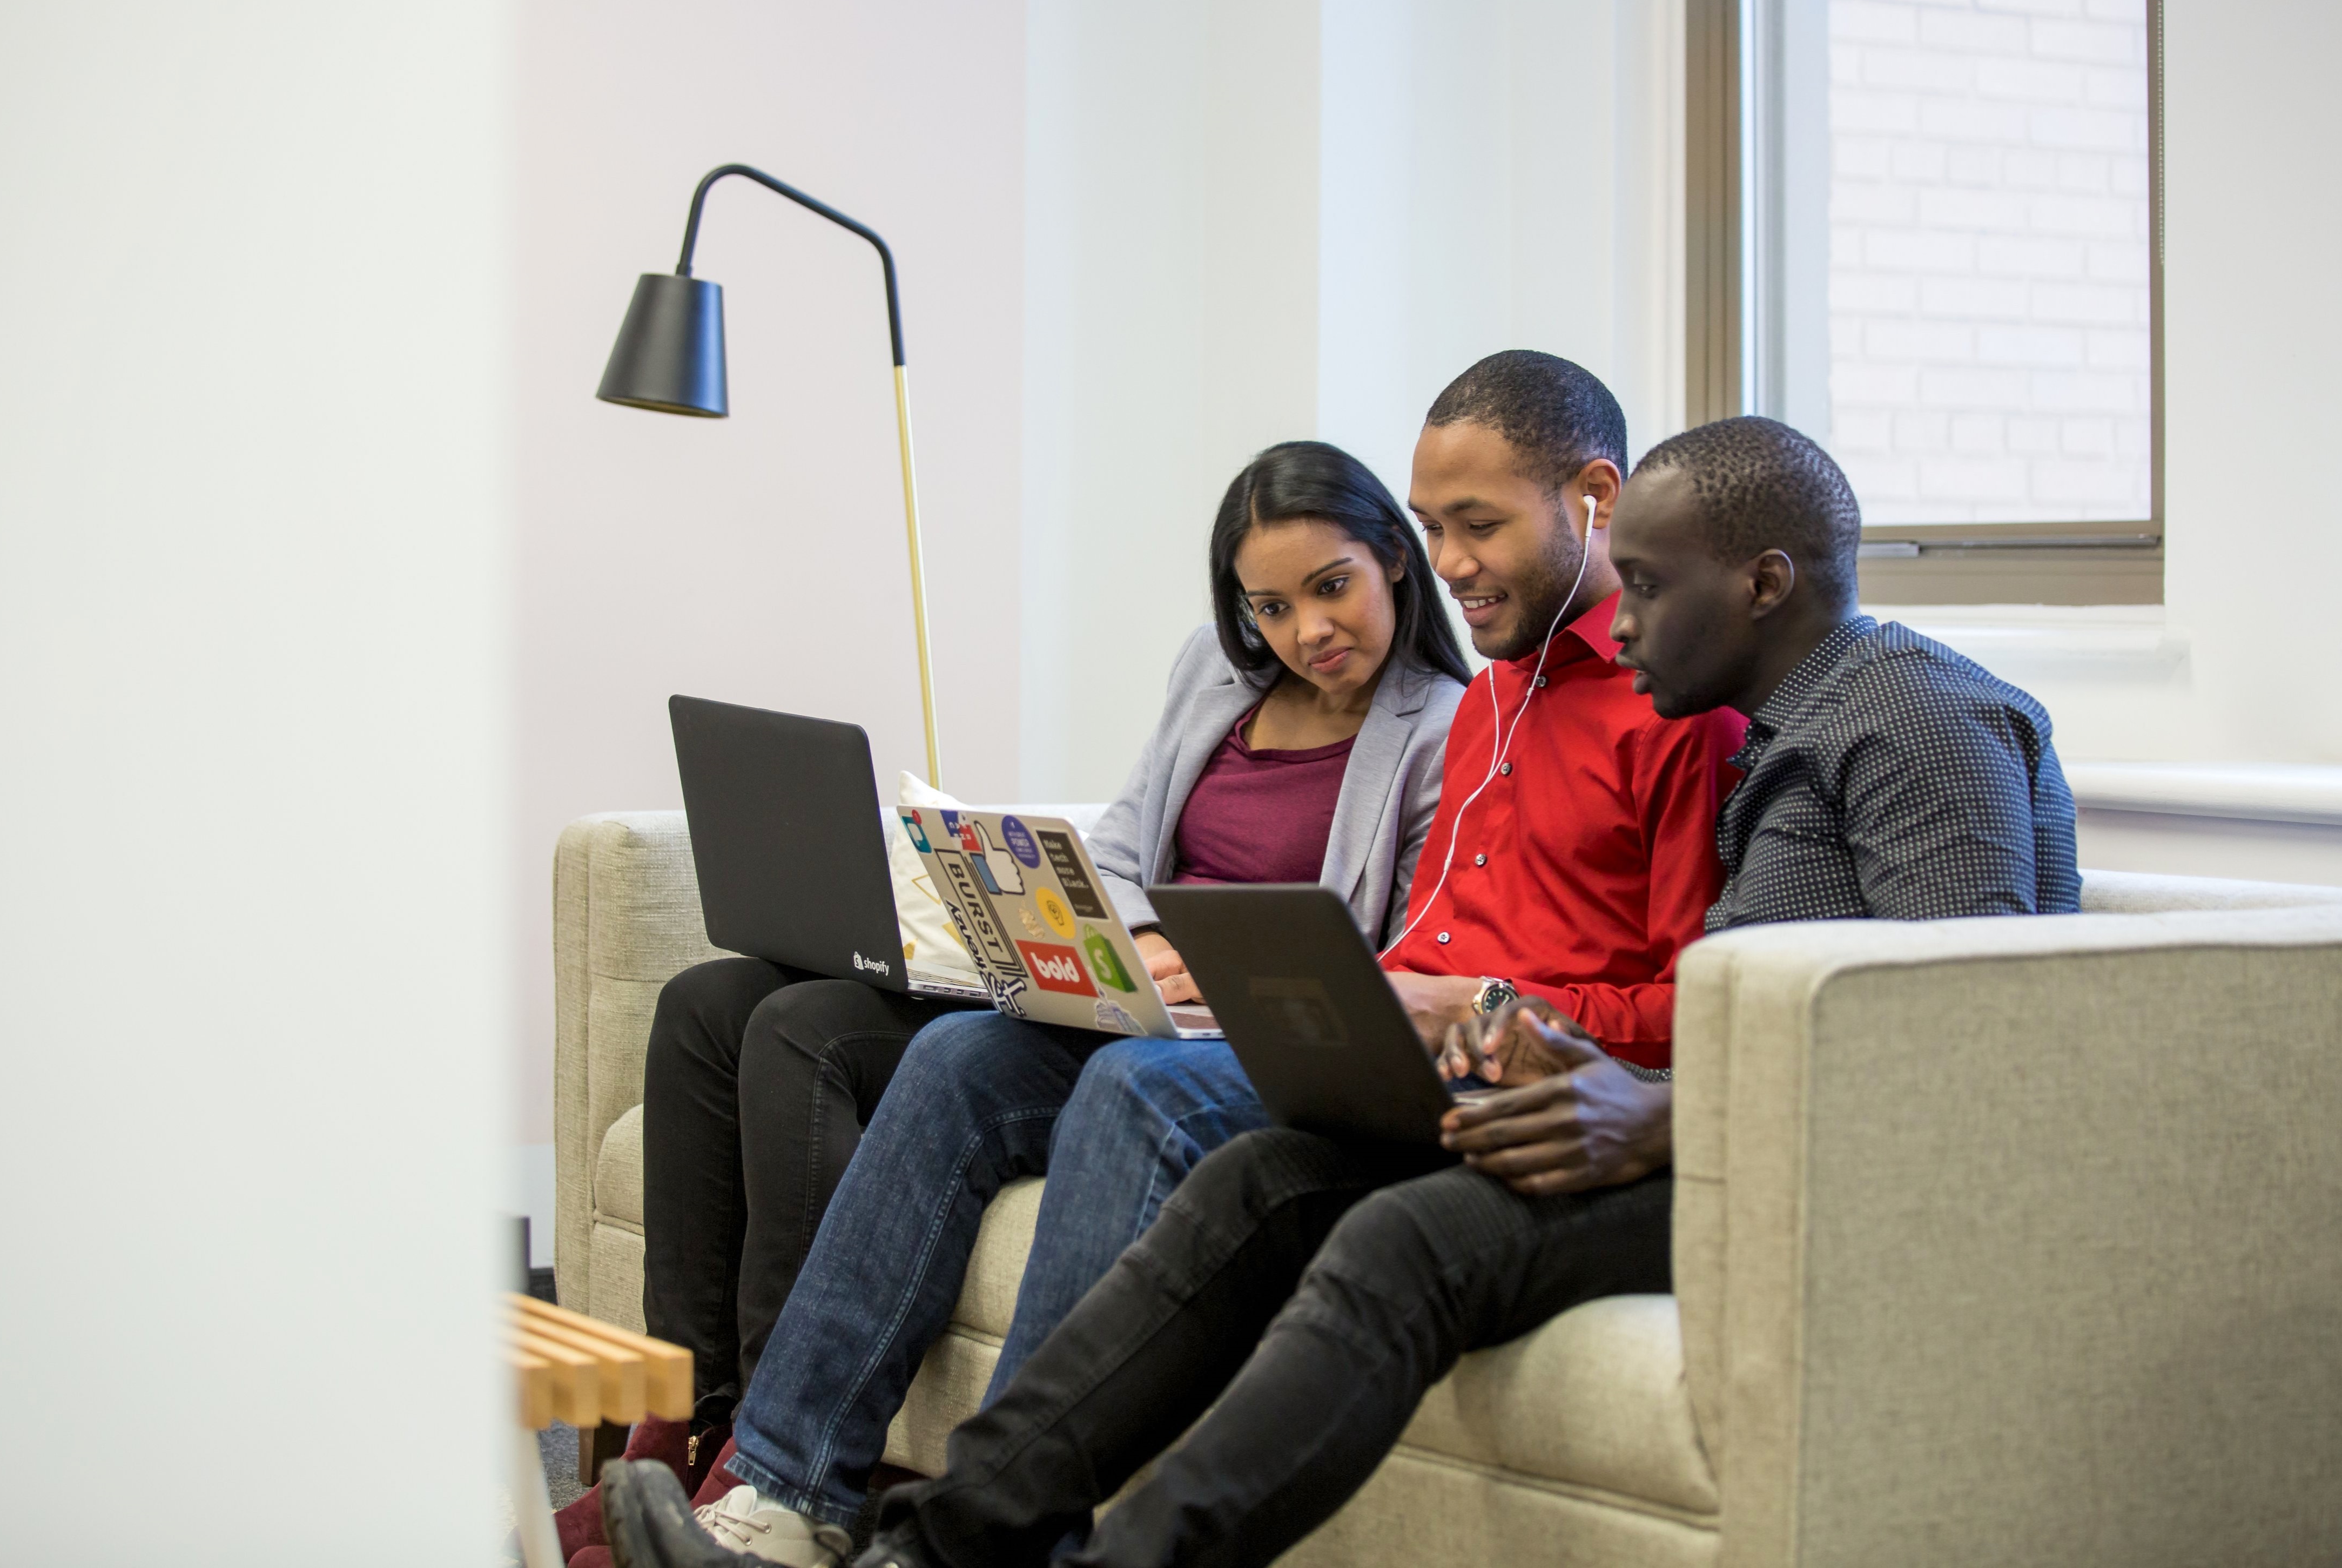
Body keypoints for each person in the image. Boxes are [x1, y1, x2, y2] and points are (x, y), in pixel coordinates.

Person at [650, 415, 2083, 1568]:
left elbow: (1942, 1044)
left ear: (1762, 581)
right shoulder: (1756, 722)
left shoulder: (1910, 714)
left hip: (1748, 1164)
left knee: (1392, 1241)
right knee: (1249, 1179)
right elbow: (1748, 991)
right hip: (1612, 1101)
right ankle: (942, 1535)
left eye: (1642, 586)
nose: (1622, 620)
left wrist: (1646, 1110)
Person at [575, 437, 1468, 1567]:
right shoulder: (1215, 674)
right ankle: (783, 1491)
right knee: (953, 1054)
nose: (1306, 631)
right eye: (1272, 605)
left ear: (1393, 554)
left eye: (1329, 588)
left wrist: (1223, 969)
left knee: (1108, 1079)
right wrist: (1139, 936)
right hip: (1149, 1000)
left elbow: (1399, 948)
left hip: (1253, 1039)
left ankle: (980, 1526)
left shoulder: (1443, 725)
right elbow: (1127, 845)